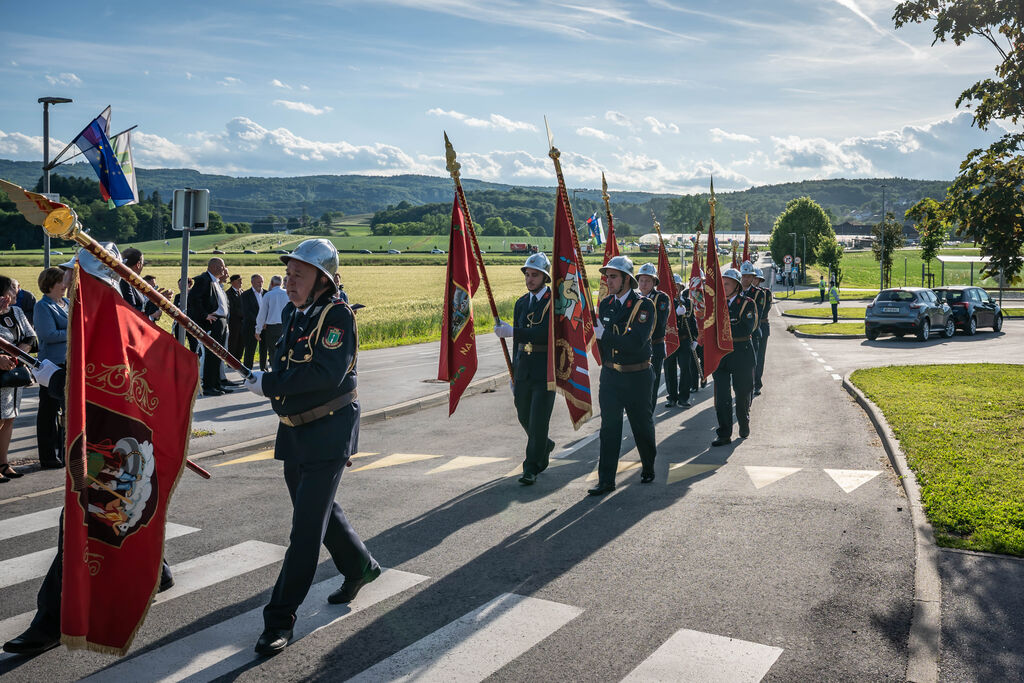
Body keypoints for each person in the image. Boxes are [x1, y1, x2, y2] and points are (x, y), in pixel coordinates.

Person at [3, 244, 175, 657]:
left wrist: (55, 379)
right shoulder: (100, 315)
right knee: (111, 518)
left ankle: (50, 622)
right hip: (101, 440)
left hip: (107, 442)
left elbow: (100, 388)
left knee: (79, 523)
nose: (68, 280)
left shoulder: (106, 318)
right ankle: (158, 568)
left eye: (74, 274)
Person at [241, 239, 378, 656]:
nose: (289, 281)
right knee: (320, 513)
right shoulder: (292, 312)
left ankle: (278, 620)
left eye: (299, 275)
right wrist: (267, 378)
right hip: (294, 431)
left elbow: (324, 374)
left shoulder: (337, 316)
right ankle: (361, 567)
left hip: (328, 432)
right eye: (288, 274)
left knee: (304, 533)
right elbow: (287, 363)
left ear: (323, 279)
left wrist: (269, 384)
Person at [589, 255, 657, 496]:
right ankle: (606, 480)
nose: (608, 281)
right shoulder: (606, 304)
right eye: (607, 276)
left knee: (641, 426)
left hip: (637, 376)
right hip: (611, 376)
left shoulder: (644, 306)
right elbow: (604, 344)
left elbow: (636, 342)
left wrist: (604, 335)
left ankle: (648, 465)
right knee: (609, 428)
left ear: (627, 279)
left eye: (613, 276)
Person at [494, 253, 555, 486]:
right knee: (523, 415)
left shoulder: (554, 302)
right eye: (527, 275)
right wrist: (513, 370)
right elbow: (516, 343)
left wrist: (514, 332)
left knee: (538, 420)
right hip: (523, 370)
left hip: (544, 370)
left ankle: (531, 468)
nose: (529, 279)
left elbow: (545, 333)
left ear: (545, 277)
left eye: (534, 275)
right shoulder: (521, 303)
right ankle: (544, 444)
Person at [711, 268, 758, 447]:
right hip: (721, 354)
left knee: (742, 394)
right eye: (721, 284)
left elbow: (746, 328)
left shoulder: (747, 303)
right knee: (722, 397)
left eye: (727, 284)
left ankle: (743, 421)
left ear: (737, 286)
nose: (723, 287)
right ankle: (724, 433)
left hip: (741, 352)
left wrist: (723, 328)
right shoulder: (715, 305)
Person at [32, 267, 69, 470]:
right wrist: (73, 330)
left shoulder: (68, 303)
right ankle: (48, 456)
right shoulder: (42, 306)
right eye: (61, 281)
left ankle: (64, 452)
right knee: (49, 410)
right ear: (50, 284)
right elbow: (48, 335)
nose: (65, 285)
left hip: (70, 363)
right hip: (52, 366)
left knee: (67, 411)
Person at [0, 275, 35, 483]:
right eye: (12, 289)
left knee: (9, 418)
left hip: (13, 376)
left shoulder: (17, 311)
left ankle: (3, 463)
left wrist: (16, 355)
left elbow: (30, 336)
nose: (16, 293)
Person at [187, 258, 231, 396]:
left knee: (219, 354)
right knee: (212, 354)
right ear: (214, 267)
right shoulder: (203, 280)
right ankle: (208, 386)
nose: (224, 270)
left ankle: (217, 384)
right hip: (213, 321)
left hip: (221, 321)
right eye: (222, 267)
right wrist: (204, 315)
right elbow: (194, 299)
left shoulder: (215, 281)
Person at [636, 262, 671, 412]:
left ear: (654, 282)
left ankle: (648, 415)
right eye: (641, 280)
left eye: (647, 281)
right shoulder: (635, 298)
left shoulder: (661, 298)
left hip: (654, 346)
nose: (644, 284)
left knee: (652, 384)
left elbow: (659, 322)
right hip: (637, 347)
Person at [665, 274, 698, 409]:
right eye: (673, 286)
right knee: (669, 369)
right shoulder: (665, 302)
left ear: (681, 287)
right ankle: (672, 397)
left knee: (685, 368)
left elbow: (692, 321)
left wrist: (694, 339)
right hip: (670, 340)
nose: (675, 289)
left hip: (684, 340)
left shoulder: (688, 303)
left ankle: (684, 397)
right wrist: (674, 313)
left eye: (677, 286)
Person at [739, 262, 764, 395]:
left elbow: (756, 315)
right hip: (737, 335)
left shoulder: (758, 293)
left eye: (749, 276)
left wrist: (748, 330)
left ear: (753, 277)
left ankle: (755, 384)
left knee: (753, 362)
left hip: (752, 333)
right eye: (744, 276)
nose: (746, 279)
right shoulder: (735, 291)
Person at [255, 275, 289, 362]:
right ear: (281, 283)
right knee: (285, 350)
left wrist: (258, 330)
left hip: (272, 328)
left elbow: (262, 314)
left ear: (272, 283)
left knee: (273, 351)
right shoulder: (288, 294)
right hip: (285, 326)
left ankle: (274, 368)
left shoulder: (268, 295)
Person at [753, 268, 773, 396]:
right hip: (748, 328)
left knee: (759, 357)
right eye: (753, 278)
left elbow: (765, 308)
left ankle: (757, 383)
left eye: (757, 279)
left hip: (762, 326)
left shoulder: (764, 293)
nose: (755, 281)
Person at [242, 274, 266, 371]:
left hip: (265, 327)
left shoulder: (267, 294)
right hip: (250, 326)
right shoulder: (245, 295)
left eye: (261, 282)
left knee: (264, 349)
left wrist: (265, 323)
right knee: (250, 350)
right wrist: (259, 323)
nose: (260, 284)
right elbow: (247, 312)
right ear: (252, 283)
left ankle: (263, 369)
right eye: (258, 282)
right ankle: (248, 371)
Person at [119, 247, 147, 312]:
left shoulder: (122, 279)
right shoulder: (125, 281)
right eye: (143, 264)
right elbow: (131, 309)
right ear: (138, 264)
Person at [226, 274, 244, 360]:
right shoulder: (228, 294)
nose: (241, 282)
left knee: (241, 342)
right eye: (239, 280)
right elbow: (232, 309)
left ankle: (238, 359)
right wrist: (244, 314)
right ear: (233, 282)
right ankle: (232, 361)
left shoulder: (242, 292)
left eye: (241, 280)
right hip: (234, 323)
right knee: (233, 342)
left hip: (243, 323)